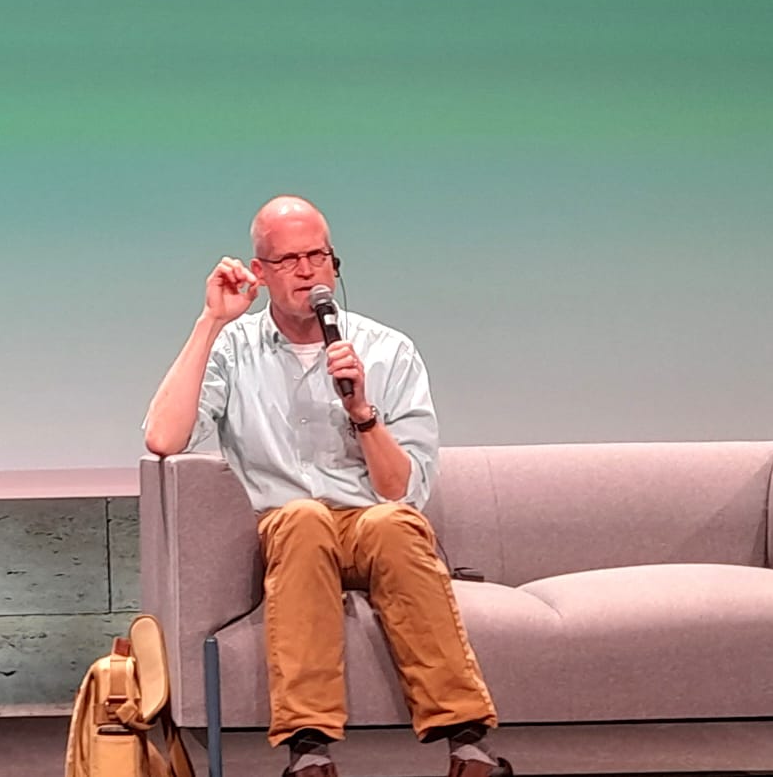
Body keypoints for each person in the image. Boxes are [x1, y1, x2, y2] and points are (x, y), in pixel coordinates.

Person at [143, 196, 508, 777]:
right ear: (259, 272)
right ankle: (309, 752)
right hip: (290, 531)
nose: (307, 271)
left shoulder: (387, 350)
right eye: (288, 260)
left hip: (372, 524)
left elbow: (400, 493)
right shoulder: (234, 351)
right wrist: (210, 322)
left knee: (393, 525)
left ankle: (467, 745)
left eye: (318, 256)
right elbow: (164, 438)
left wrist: (362, 411)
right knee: (303, 517)